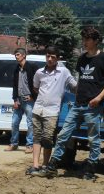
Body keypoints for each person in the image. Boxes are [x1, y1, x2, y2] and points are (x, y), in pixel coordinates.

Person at [33, 27, 104, 181]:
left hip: (93, 106)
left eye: (87, 39)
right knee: (63, 135)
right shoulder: (82, 58)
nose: (84, 42)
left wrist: (98, 98)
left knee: (93, 139)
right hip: (78, 104)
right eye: (83, 39)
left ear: (95, 41)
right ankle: (52, 166)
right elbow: (79, 82)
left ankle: (91, 169)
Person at [27, 46, 77, 175]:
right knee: (36, 137)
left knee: (47, 138)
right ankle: (35, 165)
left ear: (58, 58)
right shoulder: (39, 72)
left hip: (52, 111)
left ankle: (45, 165)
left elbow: (74, 85)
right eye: (48, 56)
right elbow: (36, 88)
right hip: (38, 109)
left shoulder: (64, 72)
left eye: (53, 57)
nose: (49, 59)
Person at [5, 48, 37, 154]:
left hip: (29, 100)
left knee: (30, 123)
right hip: (19, 100)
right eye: (15, 54)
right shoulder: (16, 69)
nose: (16, 56)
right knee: (14, 122)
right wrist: (15, 99)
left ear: (24, 55)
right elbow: (14, 85)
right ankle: (13, 144)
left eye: (18, 54)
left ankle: (29, 145)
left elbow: (38, 83)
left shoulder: (31, 67)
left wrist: (33, 96)